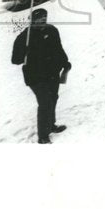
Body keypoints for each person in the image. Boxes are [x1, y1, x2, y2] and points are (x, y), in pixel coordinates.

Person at [11, 7, 71, 143]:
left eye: (45, 18)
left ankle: (51, 125)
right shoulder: (24, 38)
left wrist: (65, 62)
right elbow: (15, 60)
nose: (43, 20)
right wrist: (24, 52)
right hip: (35, 76)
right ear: (33, 21)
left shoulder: (52, 30)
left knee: (53, 98)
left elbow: (58, 48)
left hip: (52, 72)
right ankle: (43, 137)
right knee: (45, 103)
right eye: (39, 18)